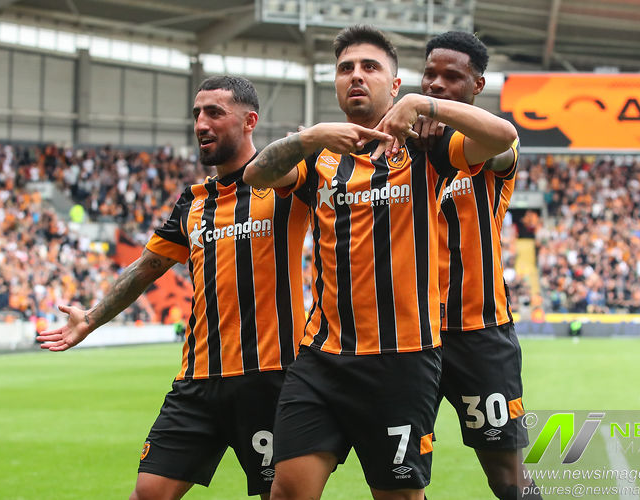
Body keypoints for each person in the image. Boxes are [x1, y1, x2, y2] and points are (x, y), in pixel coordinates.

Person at [243, 25, 517, 500]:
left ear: (393, 84)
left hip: (421, 349)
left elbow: (504, 138)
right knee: (286, 490)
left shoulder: (428, 147)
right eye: (345, 68)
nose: (355, 75)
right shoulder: (319, 153)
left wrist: (422, 106)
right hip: (324, 355)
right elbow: (256, 174)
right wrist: (309, 136)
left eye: (369, 67)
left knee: (498, 479)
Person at [37, 76, 310, 500]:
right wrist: (90, 319)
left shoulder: (286, 183)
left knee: (284, 496)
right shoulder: (194, 201)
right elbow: (145, 268)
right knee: (148, 494)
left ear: (249, 121)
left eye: (214, 113)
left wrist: (308, 140)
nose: (201, 123)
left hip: (270, 376)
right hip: (197, 380)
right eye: (197, 114)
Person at [415, 31, 539, 500]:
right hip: (411, 337)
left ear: (478, 85)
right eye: (430, 74)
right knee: (399, 476)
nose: (437, 84)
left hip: (480, 333)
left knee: (506, 478)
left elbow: (503, 140)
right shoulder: (401, 148)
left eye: (452, 76)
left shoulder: (486, 150)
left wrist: (431, 109)